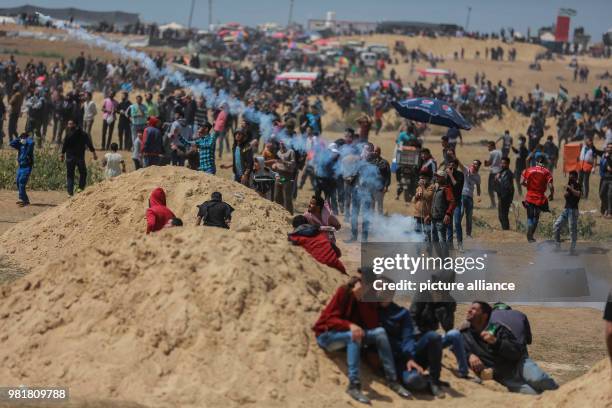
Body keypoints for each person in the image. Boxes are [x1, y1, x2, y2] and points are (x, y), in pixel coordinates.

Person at [312, 277, 412, 404]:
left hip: (352, 337)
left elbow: (372, 325)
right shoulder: (344, 291)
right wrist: (349, 325)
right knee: (354, 334)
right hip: (328, 337)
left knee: (380, 332)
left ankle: (392, 381)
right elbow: (328, 319)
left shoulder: (369, 301)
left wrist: (361, 301)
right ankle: (353, 385)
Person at [461, 301, 558, 394]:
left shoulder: (494, 326)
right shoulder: (520, 315)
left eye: (473, 309)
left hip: (512, 363)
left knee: (533, 389)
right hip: (513, 364)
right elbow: (529, 340)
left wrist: (495, 342)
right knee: (539, 380)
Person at [521, 155, 554, 242]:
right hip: (540, 197)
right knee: (536, 216)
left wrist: (528, 186)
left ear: (536, 162)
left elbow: (522, 182)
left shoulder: (529, 170)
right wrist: (552, 194)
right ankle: (531, 235)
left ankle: (529, 226)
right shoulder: (546, 172)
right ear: (545, 163)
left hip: (529, 196)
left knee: (530, 215)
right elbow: (550, 185)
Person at [60, 119, 97, 196]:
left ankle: (70, 193)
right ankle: (80, 188)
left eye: (70, 124)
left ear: (75, 125)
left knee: (70, 175)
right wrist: (94, 153)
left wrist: (62, 155)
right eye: (68, 124)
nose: (68, 126)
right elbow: (89, 144)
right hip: (79, 158)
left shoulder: (69, 134)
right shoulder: (83, 134)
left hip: (70, 158)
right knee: (83, 173)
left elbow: (64, 145)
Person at [553, 170, 581, 252]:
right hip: (566, 209)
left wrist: (571, 189)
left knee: (572, 229)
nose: (570, 178)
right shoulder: (569, 185)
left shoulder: (577, 185)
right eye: (570, 176)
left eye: (572, 177)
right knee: (556, 225)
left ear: (576, 177)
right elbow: (565, 195)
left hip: (573, 210)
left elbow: (578, 194)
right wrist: (567, 190)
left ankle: (572, 249)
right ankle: (557, 246)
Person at [9, 132, 35, 207]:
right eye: (22, 137)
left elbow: (32, 142)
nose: (22, 138)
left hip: (27, 167)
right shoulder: (20, 145)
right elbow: (11, 143)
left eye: (24, 137)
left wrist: (27, 140)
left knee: (21, 182)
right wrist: (18, 138)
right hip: (20, 167)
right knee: (17, 182)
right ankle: (24, 199)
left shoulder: (29, 145)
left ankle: (23, 200)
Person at [430, 170, 455, 244]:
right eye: (436, 176)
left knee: (442, 241)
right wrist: (429, 215)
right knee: (434, 241)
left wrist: (448, 214)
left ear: (443, 178)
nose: (436, 178)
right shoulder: (437, 188)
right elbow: (434, 204)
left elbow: (452, 202)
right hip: (433, 218)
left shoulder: (446, 189)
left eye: (438, 177)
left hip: (441, 219)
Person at [445, 159, 465, 250]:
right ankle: (449, 245)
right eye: (450, 165)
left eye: (453, 165)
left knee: (457, 223)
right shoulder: (446, 175)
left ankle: (460, 244)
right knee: (448, 224)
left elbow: (456, 186)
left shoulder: (460, 175)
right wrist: (446, 175)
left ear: (457, 166)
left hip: (456, 202)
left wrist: (450, 175)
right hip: (448, 203)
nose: (451, 167)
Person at [272, 140, 296, 214]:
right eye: (280, 143)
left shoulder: (290, 152)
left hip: (287, 176)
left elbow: (293, 164)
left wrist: (284, 162)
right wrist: (275, 165)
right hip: (279, 175)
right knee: (277, 196)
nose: (282, 145)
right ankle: (278, 213)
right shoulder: (278, 152)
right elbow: (276, 162)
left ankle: (289, 214)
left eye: (283, 143)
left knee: (287, 197)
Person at [460, 160, 481, 238]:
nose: (473, 165)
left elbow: (478, 187)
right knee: (461, 213)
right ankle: (456, 230)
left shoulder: (477, 176)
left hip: (470, 197)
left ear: (478, 166)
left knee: (469, 216)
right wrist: (454, 157)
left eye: (476, 164)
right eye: (473, 163)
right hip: (462, 195)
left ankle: (468, 234)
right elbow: (460, 164)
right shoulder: (466, 170)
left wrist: (478, 196)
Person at [413, 171, 435, 240]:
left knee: (427, 233)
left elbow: (428, 197)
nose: (421, 180)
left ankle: (428, 249)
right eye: (420, 178)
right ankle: (418, 249)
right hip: (417, 215)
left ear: (428, 178)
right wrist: (416, 196)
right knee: (417, 233)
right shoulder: (418, 188)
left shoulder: (431, 187)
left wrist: (422, 187)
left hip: (426, 215)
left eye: (423, 178)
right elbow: (414, 201)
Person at [495, 157, 515, 230]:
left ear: (508, 164)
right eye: (501, 163)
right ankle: (505, 229)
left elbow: (506, 186)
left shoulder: (508, 173)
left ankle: (506, 230)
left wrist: (498, 179)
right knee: (501, 216)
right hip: (501, 197)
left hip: (505, 197)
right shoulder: (502, 172)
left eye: (504, 163)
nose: (502, 165)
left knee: (503, 215)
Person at [372, 146, 391, 215]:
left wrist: (386, 186)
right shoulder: (370, 162)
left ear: (379, 152)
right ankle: (371, 219)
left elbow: (388, 175)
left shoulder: (385, 163)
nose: (374, 152)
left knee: (379, 204)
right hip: (371, 186)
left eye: (376, 151)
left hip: (380, 187)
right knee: (372, 204)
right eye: (374, 151)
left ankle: (380, 219)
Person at [484, 141, 502, 208]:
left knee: (490, 189)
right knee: (498, 189)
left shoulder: (492, 153)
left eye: (489, 147)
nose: (488, 148)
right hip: (500, 172)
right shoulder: (500, 151)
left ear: (493, 146)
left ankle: (493, 204)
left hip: (493, 172)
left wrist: (486, 163)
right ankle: (500, 204)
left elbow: (489, 163)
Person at [600, 143, 612, 218]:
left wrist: (608, 159)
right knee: (601, 194)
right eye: (609, 147)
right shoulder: (604, 155)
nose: (610, 148)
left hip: (611, 179)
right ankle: (606, 209)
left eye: (611, 147)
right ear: (606, 148)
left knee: (610, 195)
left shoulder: (608, 157)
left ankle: (609, 213)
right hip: (604, 178)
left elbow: (610, 168)